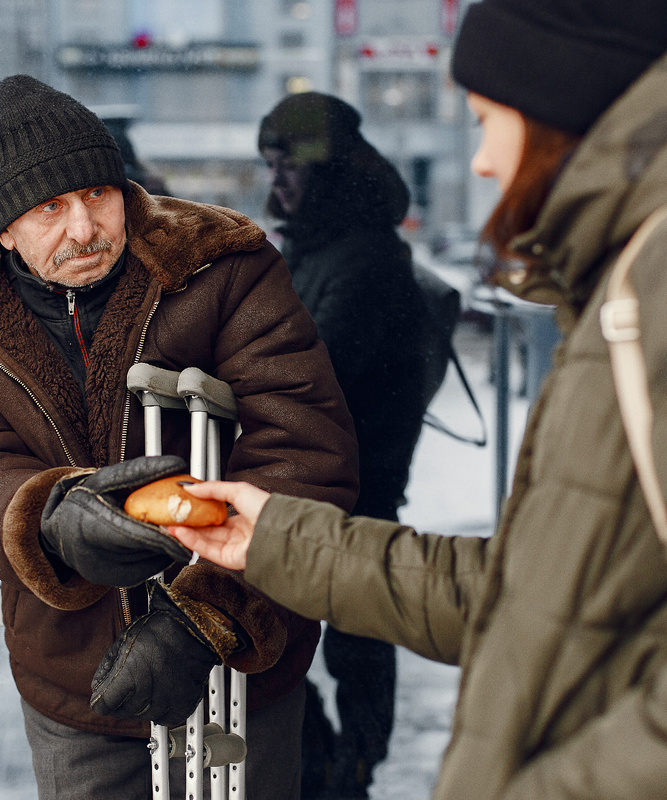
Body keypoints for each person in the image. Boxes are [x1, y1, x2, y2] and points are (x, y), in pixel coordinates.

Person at [166, 1, 667, 798]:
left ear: (560, 107)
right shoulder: (653, 273)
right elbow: (536, 592)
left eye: (487, 119)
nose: (481, 161)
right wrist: (275, 539)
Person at [0, 74, 358, 800]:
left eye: (98, 194)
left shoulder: (223, 267)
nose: (84, 227)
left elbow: (304, 451)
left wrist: (207, 619)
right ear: (4, 227)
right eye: (50, 207)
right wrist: (48, 516)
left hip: (241, 660)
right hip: (76, 682)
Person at [257, 92, 431, 799]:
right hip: (329, 475)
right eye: (270, 166)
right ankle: (336, 764)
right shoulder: (319, 244)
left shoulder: (361, 257)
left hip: (361, 477)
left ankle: (349, 768)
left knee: (357, 633)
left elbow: (311, 369)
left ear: (325, 170)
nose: (277, 183)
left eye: (287, 166)